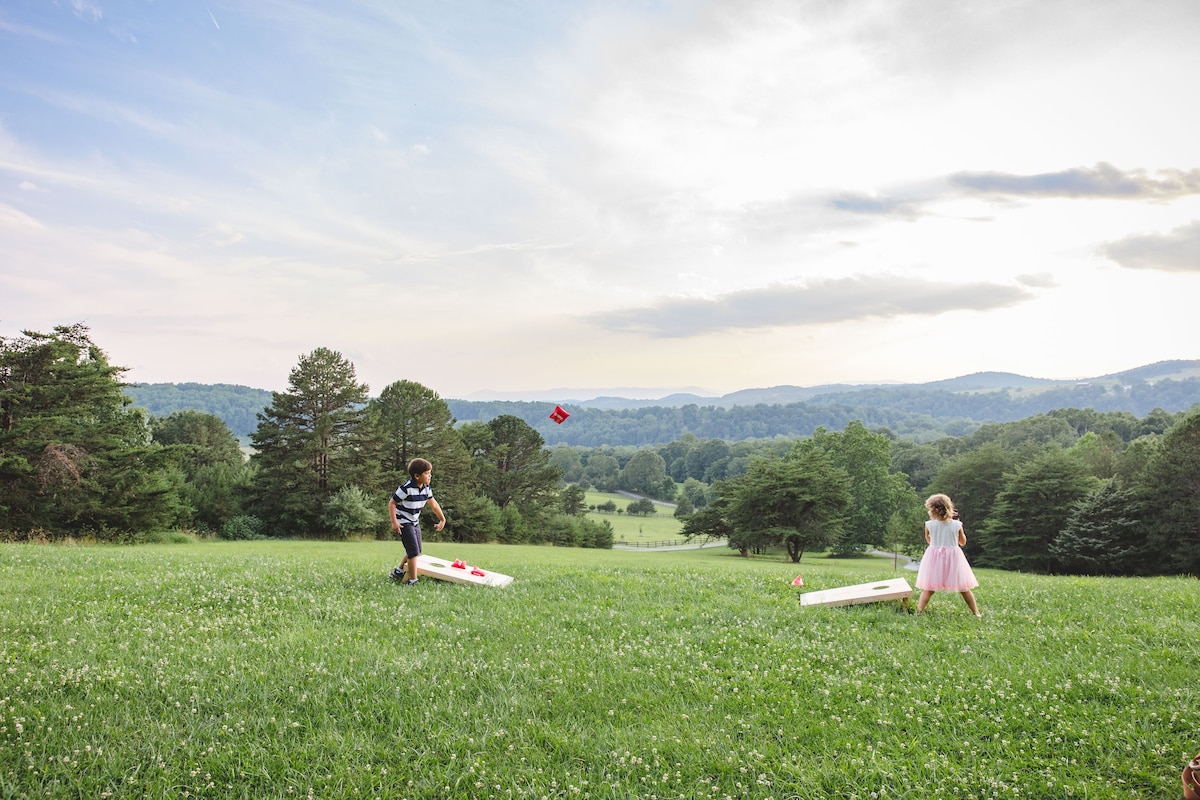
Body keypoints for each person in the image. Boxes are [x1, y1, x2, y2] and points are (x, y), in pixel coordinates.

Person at [915, 493, 981, 617]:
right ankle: (976, 613)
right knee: (964, 588)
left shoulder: (929, 525)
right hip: (953, 557)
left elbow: (929, 540)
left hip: (934, 557)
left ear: (933, 510)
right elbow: (962, 542)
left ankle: (919, 612)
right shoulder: (957, 525)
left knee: (929, 588)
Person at [388, 458, 446, 585]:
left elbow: (434, 504)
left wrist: (442, 519)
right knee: (413, 551)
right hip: (404, 522)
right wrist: (394, 522)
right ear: (417, 476)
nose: (430, 476)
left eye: (430, 473)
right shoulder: (406, 488)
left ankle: (398, 571)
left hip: (414, 521)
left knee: (416, 549)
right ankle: (413, 580)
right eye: (427, 473)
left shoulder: (426, 488)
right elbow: (392, 503)